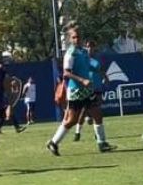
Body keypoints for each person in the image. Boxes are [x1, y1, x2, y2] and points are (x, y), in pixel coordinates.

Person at [46, 24, 115, 156]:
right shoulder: (70, 53)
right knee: (72, 120)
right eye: (74, 37)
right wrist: (82, 80)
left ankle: (102, 143)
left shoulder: (83, 52)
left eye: (78, 37)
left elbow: (89, 66)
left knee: (97, 114)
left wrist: (103, 74)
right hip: (76, 91)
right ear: (70, 39)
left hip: (87, 90)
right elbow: (66, 73)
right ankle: (53, 142)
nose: (77, 39)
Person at [74, 39, 107, 141]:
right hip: (87, 88)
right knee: (83, 111)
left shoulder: (98, 59)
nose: (90, 48)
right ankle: (77, 132)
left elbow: (101, 70)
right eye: (88, 46)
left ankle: (97, 134)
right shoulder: (83, 58)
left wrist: (105, 77)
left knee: (98, 111)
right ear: (86, 47)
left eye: (92, 46)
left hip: (97, 87)